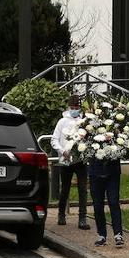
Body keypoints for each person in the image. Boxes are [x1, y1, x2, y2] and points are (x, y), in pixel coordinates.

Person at [49, 94, 90, 229]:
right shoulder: (62, 122)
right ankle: (61, 214)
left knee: (83, 189)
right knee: (65, 188)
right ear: (68, 107)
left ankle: (82, 217)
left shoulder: (84, 121)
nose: (74, 109)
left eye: (76, 107)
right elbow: (54, 140)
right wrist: (62, 151)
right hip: (66, 159)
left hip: (80, 160)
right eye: (72, 107)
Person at [88, 155, 124, 248]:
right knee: (97, 205)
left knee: (113, 202)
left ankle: (118, 234)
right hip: (95, 171)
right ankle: (101, 235)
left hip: (112, 171)